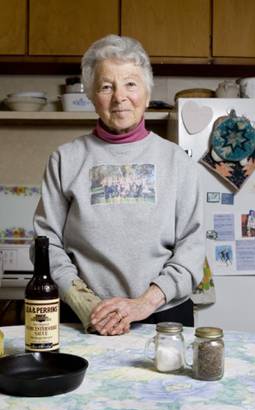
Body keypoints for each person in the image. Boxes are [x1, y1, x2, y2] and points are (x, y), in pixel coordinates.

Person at [33, 35, 204, 335]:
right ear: (91, 96)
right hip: (83, 317)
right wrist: (84, 302)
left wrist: (144, 303)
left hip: (163, 316)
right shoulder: (65, 159)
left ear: (148, 94)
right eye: (106, 86)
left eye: (130, 84)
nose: (119, 97)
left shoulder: (177, 162)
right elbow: (45, 243)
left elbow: (191, 246)